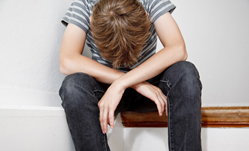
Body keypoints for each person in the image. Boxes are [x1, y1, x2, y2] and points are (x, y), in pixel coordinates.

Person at [59, 0, 202, 150]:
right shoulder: (85, 6)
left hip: (152, 91)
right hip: (109, 92)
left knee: (185, 72)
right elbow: (67, 61)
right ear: (91, 22)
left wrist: (122, 83)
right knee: (73, 85)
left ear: (147, 18)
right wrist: (134, 83)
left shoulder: (150, 2)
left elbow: (178, 49)